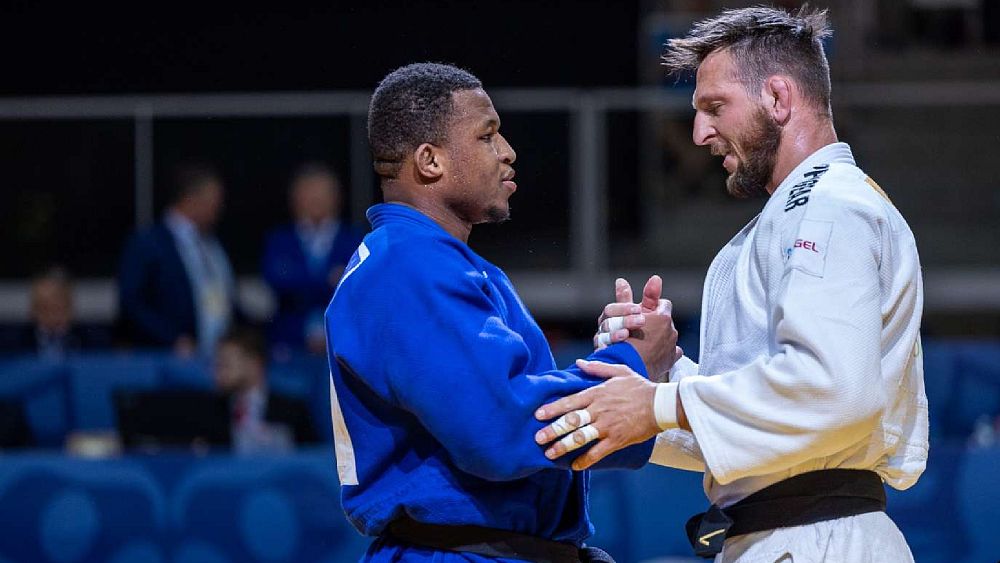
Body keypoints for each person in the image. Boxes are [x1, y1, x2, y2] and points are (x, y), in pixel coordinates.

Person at [534, 7, 928, 562]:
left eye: (714, 108)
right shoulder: (784, 220)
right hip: (773, 534)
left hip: (819, 538)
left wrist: (661, 401)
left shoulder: (829, 207)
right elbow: (762, 423)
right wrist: (665, 370)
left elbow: (834, 390)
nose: (698, 134)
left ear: (778, 98)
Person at [325, 62, 680, 563]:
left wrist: (625, 374)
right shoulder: (410, 266)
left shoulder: (433, 263)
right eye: (487, 135)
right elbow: (502, 428)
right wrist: (635, 363)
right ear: (430, 161)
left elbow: (516, 416)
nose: (508, 152)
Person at [118, 163, 242, 356]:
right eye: (215, 201)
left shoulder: (214, 245)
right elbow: (132, 302)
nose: (220, 208)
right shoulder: (149, 243)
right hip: (169, 362)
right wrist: (170, 339)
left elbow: (224, 298)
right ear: (192, 199)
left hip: (220, 359)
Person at [261, 162, 364, 355]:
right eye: (309, 191)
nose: (316, 198)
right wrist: (328, 278)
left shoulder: (355, 240)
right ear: (294, 198)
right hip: (289, 349)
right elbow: (277, 279)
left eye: (322, 191)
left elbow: (359, 289)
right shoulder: (280, 240)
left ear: (337, 197)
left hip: (341, 351)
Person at [214, 326, 317, 454]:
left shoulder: (292, 411)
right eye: (217, 364)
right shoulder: (212, 412)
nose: (218, 372)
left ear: (254, 365)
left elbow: (312, 460)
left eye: (226, 364)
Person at [4, 267, 109, 359]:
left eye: (57, 307)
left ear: (70, 307)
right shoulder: (13, 344)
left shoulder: (92, 342)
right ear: (32, 310)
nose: (51, 315)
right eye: (44, 307)